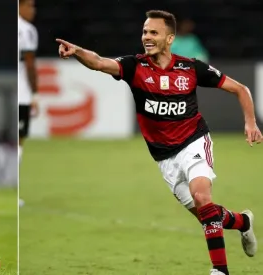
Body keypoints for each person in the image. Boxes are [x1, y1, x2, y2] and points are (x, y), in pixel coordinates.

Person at [56, 10, 261, 275]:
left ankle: (219, 270)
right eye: (144, 32)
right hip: (165, 158)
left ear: (169, 38)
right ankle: (243, 222)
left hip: (194, 142)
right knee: (206, 213)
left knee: (202, 197)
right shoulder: (135, 66)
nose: (147, 37)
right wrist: (77, 51)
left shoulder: (191, 67)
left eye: (154, 32)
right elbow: (98, 62)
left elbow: (240, 89)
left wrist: (250, 122)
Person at [18, 0, 39, 207]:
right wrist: (35, 94)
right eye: (30, 6)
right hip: (22, 94)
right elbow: (30, 64)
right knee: (19, 142)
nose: (33, 10)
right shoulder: (27, 30)